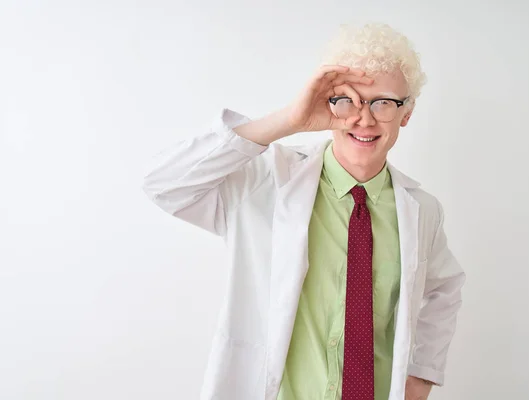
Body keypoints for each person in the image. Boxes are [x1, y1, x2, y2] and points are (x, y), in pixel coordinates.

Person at [143, 22, 465, 400]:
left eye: (383, 102)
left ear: (406, 112)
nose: (363, 118)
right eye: (348, 100)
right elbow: (164, 184)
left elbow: (444, 288)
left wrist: (420, 378)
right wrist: (289, 121)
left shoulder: (422, 210)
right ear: (327, 102)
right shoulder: (265, 183)